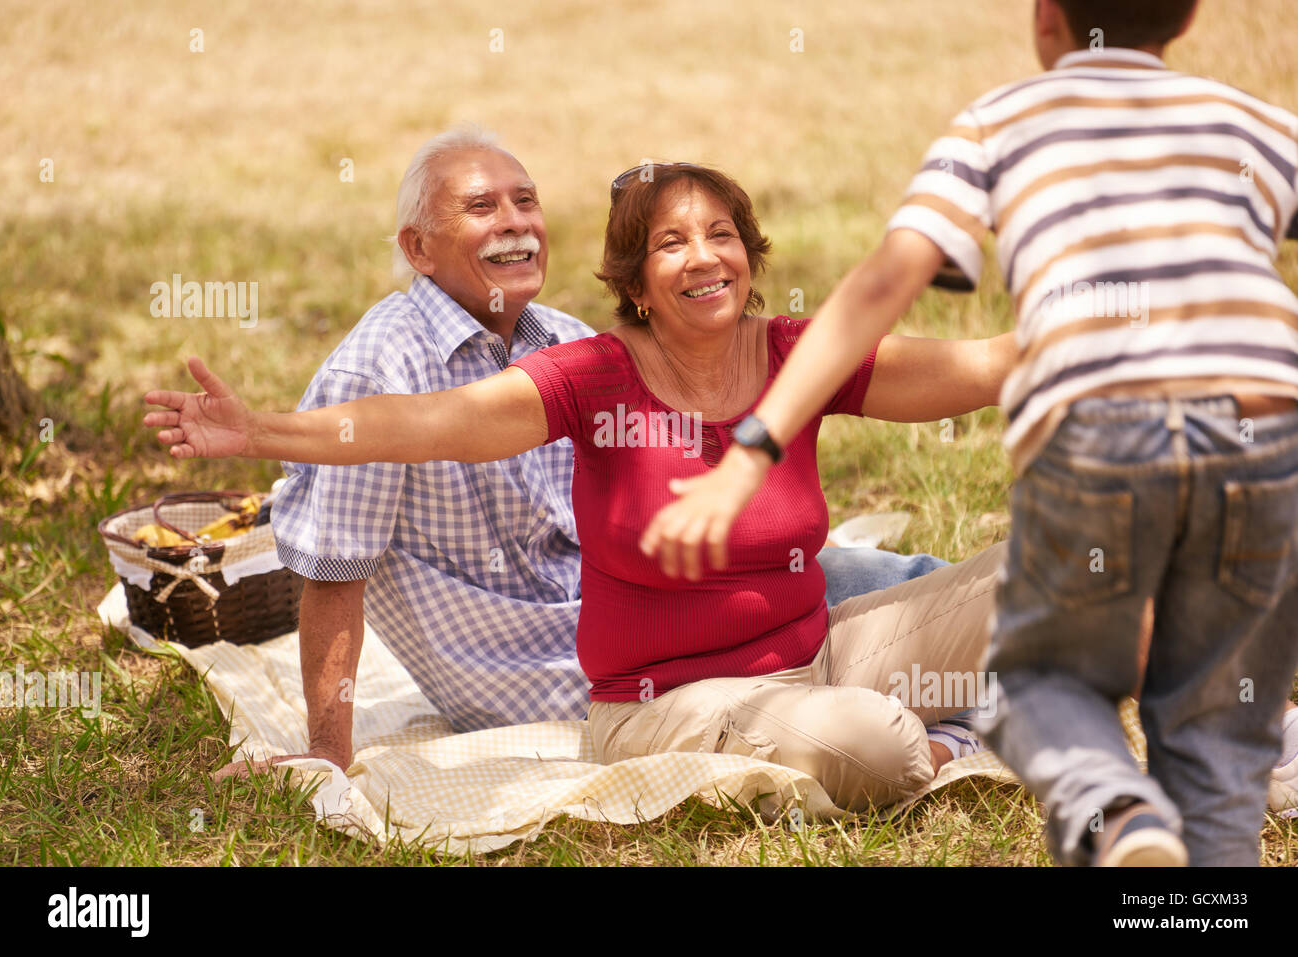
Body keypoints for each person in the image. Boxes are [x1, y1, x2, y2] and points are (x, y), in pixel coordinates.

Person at [144, 161, 1018, 810]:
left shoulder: (796, 354)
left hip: (817, 647)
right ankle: (938, 738)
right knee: (872, 741)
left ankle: (939, 706)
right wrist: (258, 430)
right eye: (672, 243)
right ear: (635, 281)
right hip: (665, 701)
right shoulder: (591, 374)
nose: (704, 257)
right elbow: (427, 421)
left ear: (750, 255)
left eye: (721, 235)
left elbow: (976, 367)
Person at [646, 0, 1298, 864]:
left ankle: (1122, 816)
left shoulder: (1005, 121)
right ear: (1185, 20)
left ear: (1046, 20)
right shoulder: (1259, 124)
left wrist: (753, 449)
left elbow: (882, 286)